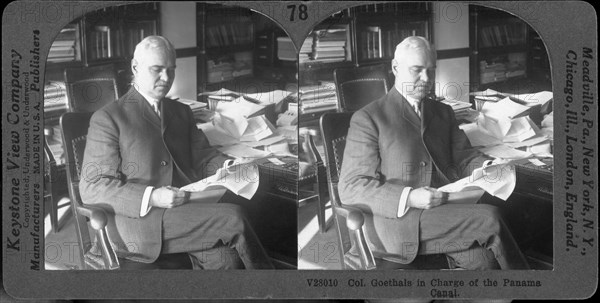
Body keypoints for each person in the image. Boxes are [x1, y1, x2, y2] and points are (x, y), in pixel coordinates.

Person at [79, 36, 273, 269]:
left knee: (227, 260)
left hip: (185, 213)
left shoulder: (180, 111)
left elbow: (203, 157)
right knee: (234, 217)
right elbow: (93, 187)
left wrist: (226, 167)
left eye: (171, 70)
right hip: (140, 223)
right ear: (135, 68)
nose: (166, 78)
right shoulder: (109, 118)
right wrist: (152, 196)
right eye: (157, 70)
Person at [338, 36, 529, 270]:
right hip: (401, 222)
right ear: (395, 68)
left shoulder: (442, 112)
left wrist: (485, 167)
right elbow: (351, 187)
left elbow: (463, 157)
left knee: (484, 262)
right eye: (417, 70)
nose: (426, 79)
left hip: (446, 213)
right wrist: (410, 197)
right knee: (490, 218)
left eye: (431, 70)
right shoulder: (369, 118)